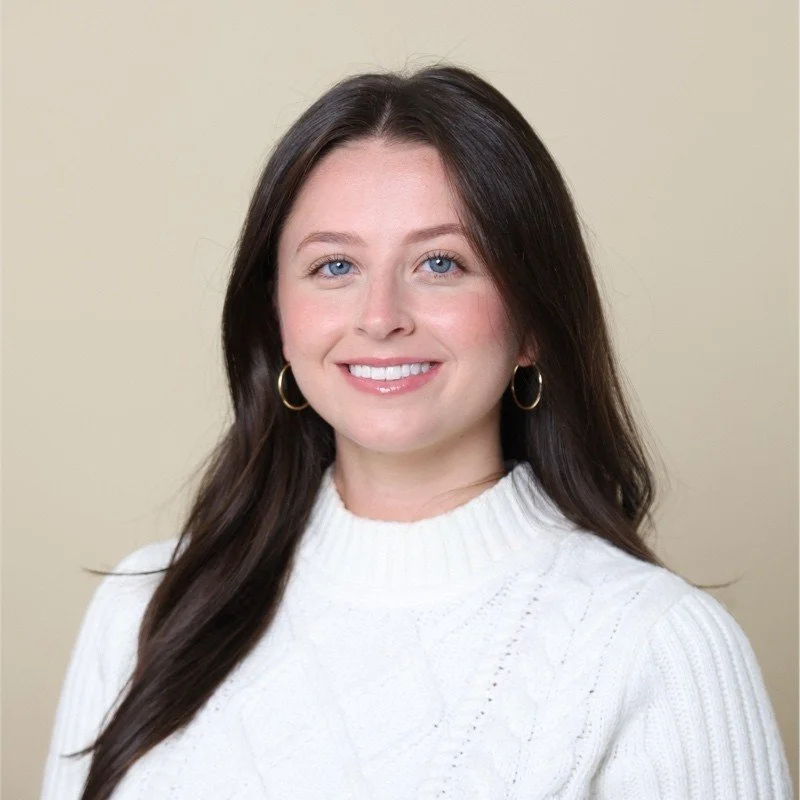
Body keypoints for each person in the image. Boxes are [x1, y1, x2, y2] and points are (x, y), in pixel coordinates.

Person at [41, 63, 792, 800]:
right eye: (334, 266)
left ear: (531, 320)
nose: (379, 316)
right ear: (276, 318)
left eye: (440, 262)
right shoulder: (145, 612)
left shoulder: (657, 647)